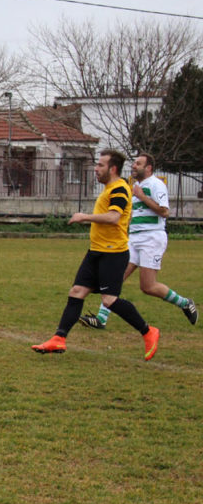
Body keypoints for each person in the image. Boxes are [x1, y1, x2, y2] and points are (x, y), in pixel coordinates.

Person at [32, 149, 160, 360]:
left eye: (100, 165)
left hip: (113, 254)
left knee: (109, 300)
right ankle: (59, 338)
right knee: (77, 292)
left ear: (113, 169)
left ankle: (148, 331)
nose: (96, 169)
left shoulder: (119, 188)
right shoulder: (110, 188)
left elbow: (113, 218)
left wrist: (84, 217)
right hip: (96, 252)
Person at [79, 152, 197, 329]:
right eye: (134, 163)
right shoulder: (133, 187)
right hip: (133, 238)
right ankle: (101, 319)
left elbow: (164, 212)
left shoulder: (156, 185)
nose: (134, 166)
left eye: (138, 163)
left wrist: (142, 197)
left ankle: (185, 303)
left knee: (148, 286)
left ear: (148, 168)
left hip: (152, 237)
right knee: (116, 279)